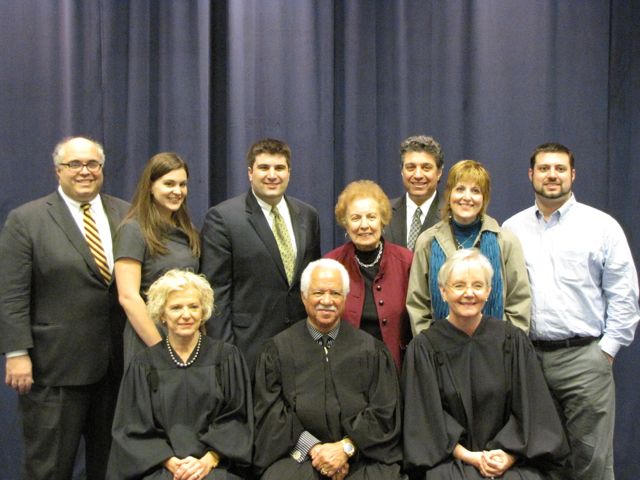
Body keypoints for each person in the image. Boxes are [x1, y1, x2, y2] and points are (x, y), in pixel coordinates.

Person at [503, 142, 640, 480]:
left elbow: (624, 294)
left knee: (591, 460)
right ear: (531, 174)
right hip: (530, 360)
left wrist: (606, 351)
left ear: (573, 175)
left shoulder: (602, 227)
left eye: (560, 169)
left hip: (584, 359)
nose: (552, 175)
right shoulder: (511, 229)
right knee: (540, 458)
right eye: (544, 168)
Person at [0, 136, 130, 479]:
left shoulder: (127, 213)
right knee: (49, 468)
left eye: (92, 164)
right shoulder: (26, 219)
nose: (85, 171)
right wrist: (16, 352)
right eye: (75, 164)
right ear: (58, 170)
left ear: (102, 169)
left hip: (115, 367)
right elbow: (11, 293)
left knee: (111, 468)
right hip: (54, 368)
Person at [402, 249, 568, 479]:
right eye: (459, 285)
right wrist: (472, 457)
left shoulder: (512, 340)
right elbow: (425, 420)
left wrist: (508, 456)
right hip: (451, 460)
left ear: (489, 291)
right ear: (443, 292)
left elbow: (533, 411)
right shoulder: (425, 348)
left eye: (478, 286)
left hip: (511, 459)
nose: (469, 293)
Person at [253, 259, 406, 480]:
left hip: (361, 455)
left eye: (335, 293)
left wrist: (345, 448)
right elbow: (271, 414)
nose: (327, 301)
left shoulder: (371, 350)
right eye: (318, 293)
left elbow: (385, 411)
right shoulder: (278, 351)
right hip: (299, 457)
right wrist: (315, 449)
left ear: (345, 298)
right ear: (304, 297)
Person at [107, 269, 253, 479]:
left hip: (215, 466)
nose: (186, 315)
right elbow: (132, 428)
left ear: (203, 311)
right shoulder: (143, 364)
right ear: (162, 314)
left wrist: (208, 461)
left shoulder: (227, 358)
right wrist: (170, 462)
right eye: (176, 307)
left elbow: (237, 419)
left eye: (193, 306)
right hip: (160, 467)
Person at [200, 138, 321, 370]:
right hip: (247, 349)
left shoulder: (308, 215)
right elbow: (216, 293)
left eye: (279, 168)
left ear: (289, 172)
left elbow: (311, 283)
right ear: (250, 172)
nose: (272, 175)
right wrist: (226, 355)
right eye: (264, 167)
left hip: (301, 347)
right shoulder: (223, 218)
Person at [406, 159, 530, 335]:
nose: (467, 197)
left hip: (497, 346)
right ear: (449, 194)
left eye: (475, 191)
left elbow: (519, 301)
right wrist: (431, 344)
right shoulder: (427, 241)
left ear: (484, 198)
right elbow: (417, 303)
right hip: (441, 347)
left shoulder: (506, 241)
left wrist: (507, 343)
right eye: (460, 189)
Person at [114, 152, 200, 366]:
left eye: (182, 185)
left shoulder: (187, 230)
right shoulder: (133, 230)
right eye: (169, 184)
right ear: (150, 187)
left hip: (185, 337)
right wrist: (161, 349)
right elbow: (128, 297)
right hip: (149, 340)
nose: (177, 191)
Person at [325, 180, 413, 370]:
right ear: (345, 223)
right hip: (346, 370)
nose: (364, 225)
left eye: (371, 217)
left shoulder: (406, 262)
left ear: (383, 220)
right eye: (356, 218)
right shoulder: (331, 264)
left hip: (397, 369)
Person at [385, 135, 444, 250]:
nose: (418, 175)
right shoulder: (383, 212)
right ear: (402, 171)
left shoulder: (451, 214)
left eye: (426, 168)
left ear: (439, 172)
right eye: (411, 167)